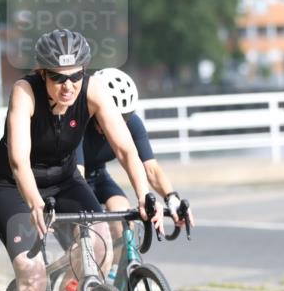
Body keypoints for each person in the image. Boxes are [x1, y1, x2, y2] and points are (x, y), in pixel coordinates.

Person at [0, 29, 160, 291]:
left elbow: (125, 148)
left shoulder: (94, 90)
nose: (68, 86)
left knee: (98, 245)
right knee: (31, 275)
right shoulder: (24, 92)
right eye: (58, 77)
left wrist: (145, 195)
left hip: (65, 180)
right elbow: (17, 159)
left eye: (75, 76)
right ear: (42, 73)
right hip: (15, 186)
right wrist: (33, 202)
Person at [76, 68, 195, 245]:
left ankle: (120, 270)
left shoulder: (132, 124)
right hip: (74, 179)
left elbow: (151, 168)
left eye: (125, 117)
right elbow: (78, 174)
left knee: (123, 218)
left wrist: (171, 198)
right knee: (94, 237)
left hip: (99, 177)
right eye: (115, 116)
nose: (120, 123)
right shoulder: (79, 123)